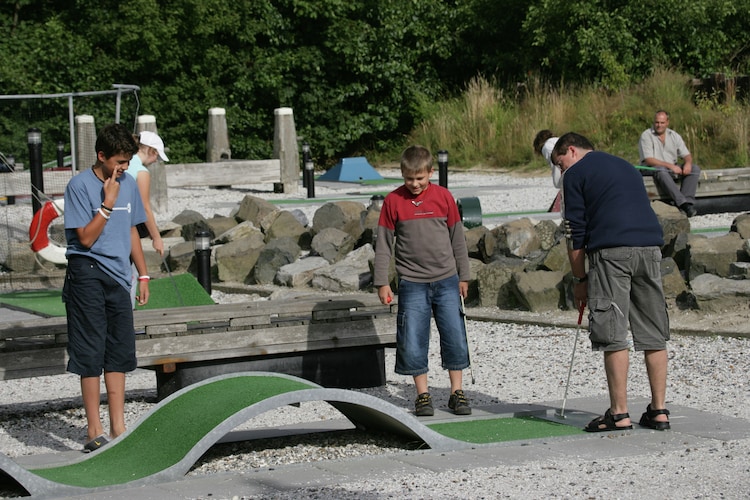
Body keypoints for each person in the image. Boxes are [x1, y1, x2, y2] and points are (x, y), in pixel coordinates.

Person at [551, 132, 671, 433]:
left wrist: (580, 278)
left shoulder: (575, 174)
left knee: (613, 331)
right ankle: (659, 411)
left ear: (572, 150)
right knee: (654, 333)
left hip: (612, 252)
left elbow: (575, 232)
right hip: (650, 248)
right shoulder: (627, 166)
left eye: (560, 162)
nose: (561, 169)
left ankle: (619, 414)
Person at [63, 123, 150, 451]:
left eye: (127, 162)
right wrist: (107, 203)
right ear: (101, 156)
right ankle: (93, 430)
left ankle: (118, 427)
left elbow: (131, 232)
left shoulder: (127, 184)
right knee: (90, 351)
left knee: (119, 350)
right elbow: (84, 237)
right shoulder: (79, 186)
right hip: (86, 272)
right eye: (118, 162)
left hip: (119, 275)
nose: (123, 168)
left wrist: (142, 274)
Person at [373, 145, 472, 417]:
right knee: (413, 339)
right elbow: (383, 245)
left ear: (431, 172)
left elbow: (458, 240)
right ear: (402, 174)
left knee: (454, 335)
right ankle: (423, 395)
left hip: (447, 280)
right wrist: (382, 281)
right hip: (412, 283)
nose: (415, 184)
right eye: (409, 179)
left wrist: (464, 275)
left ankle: (456, 392)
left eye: (420, 178)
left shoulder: (444, 197)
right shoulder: (393, 202)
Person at [125, 130, 169, 307]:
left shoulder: (125, 163)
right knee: (131, 274)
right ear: (152, 151)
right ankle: (127, 318)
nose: (156, 161)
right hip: (128, 229)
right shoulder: (141, 172)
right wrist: (157, 237)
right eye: (157, 157)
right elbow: (145, 208)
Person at [638, 110, 701, 217]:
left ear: (667, 122)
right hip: (650, 168)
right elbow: (649, 160)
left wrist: (688, 163)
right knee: (661, 170)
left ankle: (688, 203)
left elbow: (686, 154)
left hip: (669, 168)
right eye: (657, 122)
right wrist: (670, 166)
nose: (659, 125)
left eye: (662, 123)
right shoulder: (646, 135)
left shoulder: (674, 135)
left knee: (694, 168)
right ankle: (682, 203)